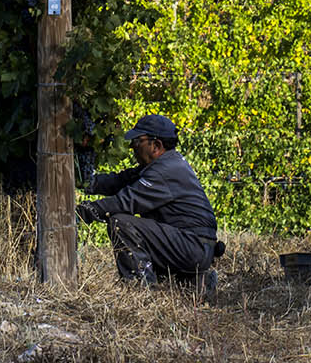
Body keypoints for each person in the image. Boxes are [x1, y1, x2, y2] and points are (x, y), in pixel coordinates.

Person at [76, 114, 224, 291]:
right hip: (195, 246)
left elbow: (125, 202)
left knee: (120, 223)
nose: (132, 147)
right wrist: (84, 181)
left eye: (138, 141)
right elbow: (119, 181)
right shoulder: (164, 164)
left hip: (192, 247)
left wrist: (81, 212)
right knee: (142, 233)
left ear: (156, 145)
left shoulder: (165, 171)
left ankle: (142, 289)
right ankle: (194, 282)